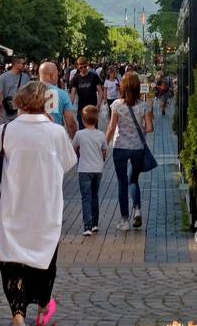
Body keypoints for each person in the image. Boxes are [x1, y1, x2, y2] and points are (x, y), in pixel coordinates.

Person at [0, 81, 76, 326]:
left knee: (12, 265)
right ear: (45, 104)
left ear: (19, 103)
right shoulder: (56, 133)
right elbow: (69, 163)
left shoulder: (6, 131)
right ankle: (44, 305)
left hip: (12, 208)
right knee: (44, 263)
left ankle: (19, 321)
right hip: (45, 210)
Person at [106, 71, 153, 231]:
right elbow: (150, 128)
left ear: (123, 87)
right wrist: (140, 129)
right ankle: (138, 210)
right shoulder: (143, 105)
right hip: (137, 148)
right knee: (133, 180)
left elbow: (112, 127)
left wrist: (105, 144)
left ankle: (124, 220)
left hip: (120, 147)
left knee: (121, 182)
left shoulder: (117, 105)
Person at [73, 105, 108, 235]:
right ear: (97, 119)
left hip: (84, 169)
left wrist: (78, 154)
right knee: (95, 196)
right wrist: (101, 158)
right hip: (97, 169)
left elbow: (74, 148)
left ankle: (87, 226)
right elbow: (104, 150)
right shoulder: (101, 134)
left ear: (82, 119)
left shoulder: (79, 134)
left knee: (86, 197)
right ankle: (95, 224)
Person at [39, 61, 78, 138]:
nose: (58, 76)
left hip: (34, 138)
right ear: (52, 75)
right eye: (57, 74)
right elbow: (70, 124)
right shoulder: (62, 94)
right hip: (55, 137)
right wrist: (74, 144)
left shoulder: (29, 92)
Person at [0, 56, 30, 122]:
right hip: (8, 111)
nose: (24, 66)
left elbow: (29, 93)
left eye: (25, 64)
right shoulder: (3, 77)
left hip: (22, 112)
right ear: (15, 64)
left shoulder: (26, 77)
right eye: (22, 63)